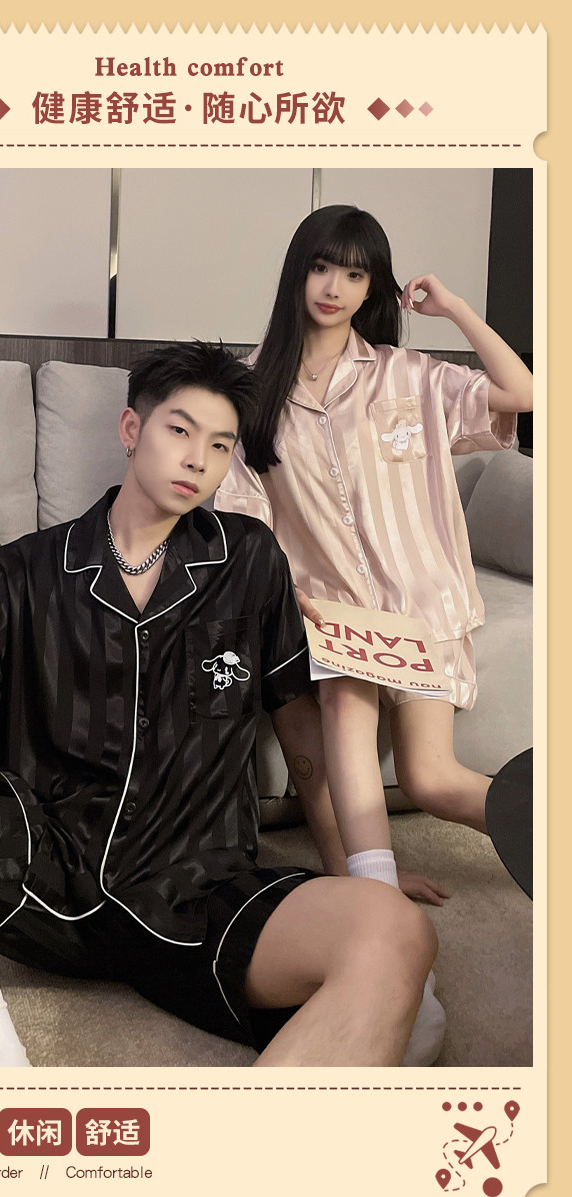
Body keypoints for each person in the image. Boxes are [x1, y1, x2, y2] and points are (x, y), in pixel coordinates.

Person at [0, 341, 437, 1069]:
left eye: (220, 445)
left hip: (203, 890)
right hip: (45, 867)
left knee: (397, 932)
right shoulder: (27, 566)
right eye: (180, 430)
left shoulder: (250, 559)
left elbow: (304, 747)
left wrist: (350, 874)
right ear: (132, 430)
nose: (198, 459)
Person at [214, 206, 533, 1064]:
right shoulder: (251, 388)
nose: (334, 287)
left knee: (431, 780)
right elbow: (244, 518)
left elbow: (525, 395)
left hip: (423, 611)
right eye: (323, 267)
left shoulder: (410, 375)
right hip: (333, 618)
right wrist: (293, 598)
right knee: (343, 716)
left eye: (355, 273)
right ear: (298, 271)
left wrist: (455, 308)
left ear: (372, 288)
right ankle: (389, 942)